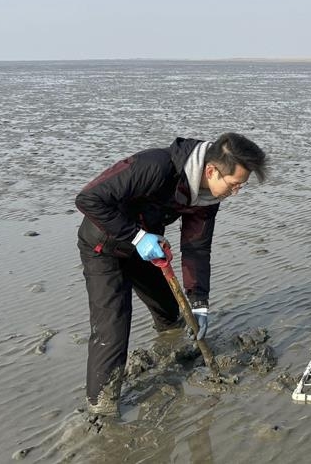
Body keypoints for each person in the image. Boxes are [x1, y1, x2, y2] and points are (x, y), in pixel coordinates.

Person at [75, 133, 267, 417]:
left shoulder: (207, 197)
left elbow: (197, 247)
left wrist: (199, 302)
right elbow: (89, 199)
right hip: (104, 247)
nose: (235, 192)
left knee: (169, 310)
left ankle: (171, 347)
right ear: (212, 170)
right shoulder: (155, 166)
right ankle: (101, 408)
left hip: (146, 249)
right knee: (112, 329)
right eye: (234, 185)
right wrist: (136, 237)